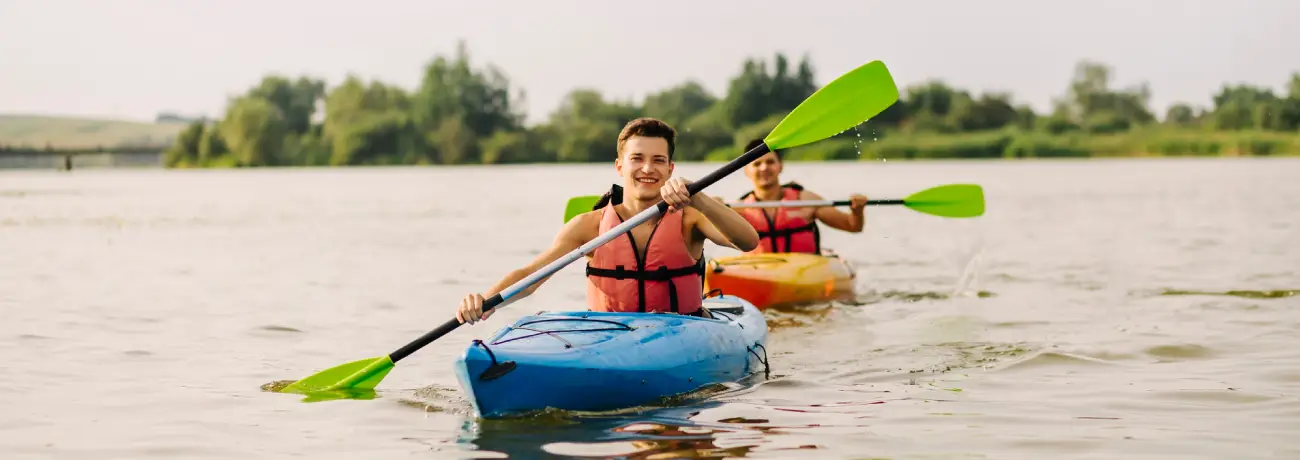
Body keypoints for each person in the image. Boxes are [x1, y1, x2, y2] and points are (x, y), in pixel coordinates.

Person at [456, 118, 760, 325]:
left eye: (658, 160)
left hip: (684, 331)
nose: (647, 169)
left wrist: (698, 196)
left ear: (671, 169)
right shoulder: (588, 225)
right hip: (611, 335)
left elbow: (748, 242)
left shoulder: (690, 218)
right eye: (637, 158)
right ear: (619, 166)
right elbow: (531, 276)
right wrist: (485, 301)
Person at [735, 138, 868, 254]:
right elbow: (722, 239)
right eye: (757, 164)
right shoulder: (737, 209)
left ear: (780, 166)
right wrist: (719, 210)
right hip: (757, 270)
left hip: (804, 269)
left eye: (770, 162)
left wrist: (857, 211)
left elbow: (852, 226)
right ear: (747, 170)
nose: (764, 168)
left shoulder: (806, 200)